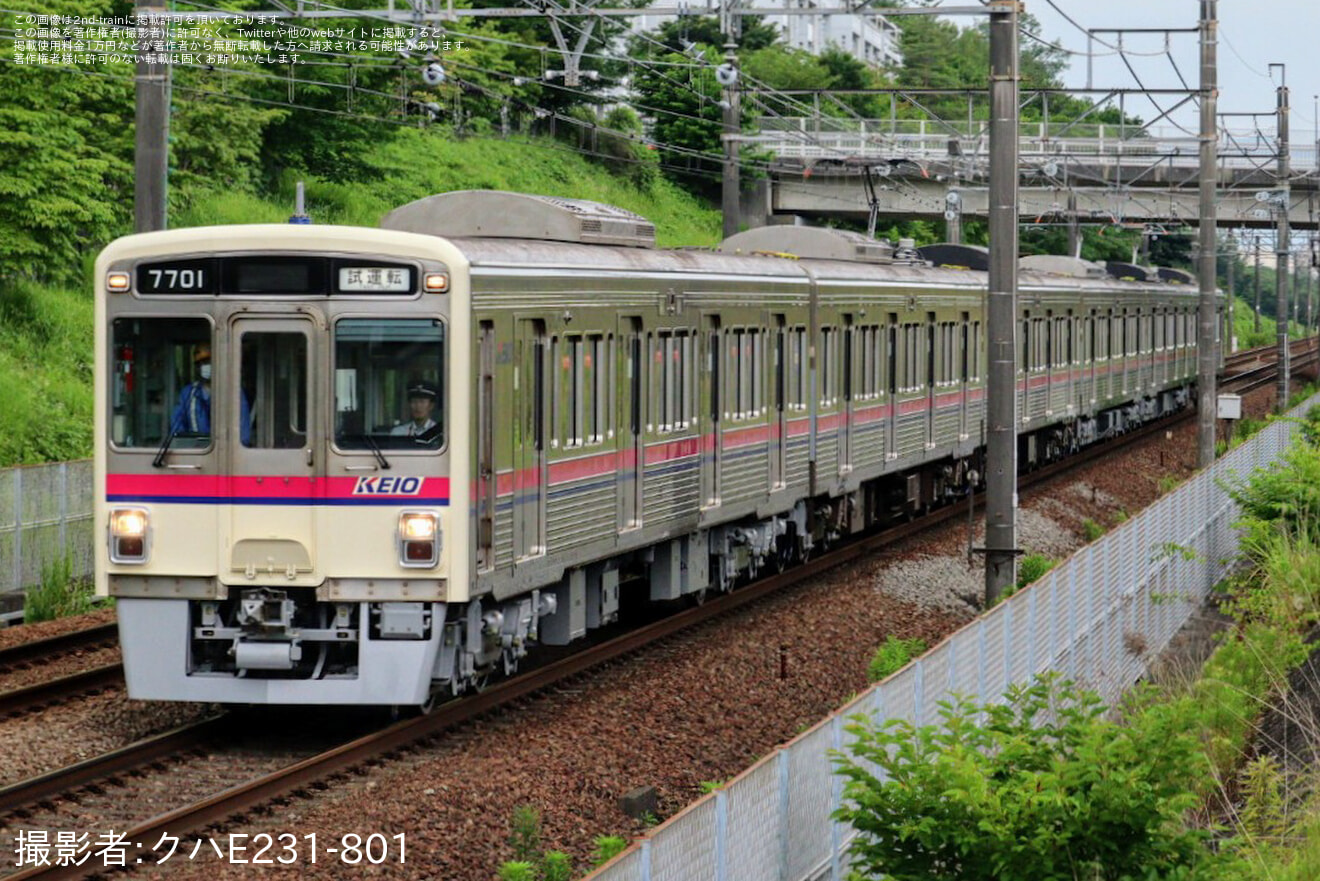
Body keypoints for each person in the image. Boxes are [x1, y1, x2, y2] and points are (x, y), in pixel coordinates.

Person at [170, 344, 252, 446]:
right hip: (196, 454)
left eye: (211, 362)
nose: (207, 366)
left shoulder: (234, 392)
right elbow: (177, 429)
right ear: (197, 367)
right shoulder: (188, 393)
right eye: (203, 363)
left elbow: (243, 435)